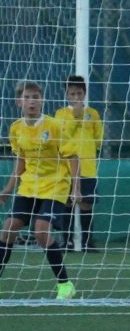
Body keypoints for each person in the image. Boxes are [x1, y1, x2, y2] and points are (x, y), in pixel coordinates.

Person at [0, 81, 81, 299]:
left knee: (41, 230)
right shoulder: (16, 128)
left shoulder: (55, 126)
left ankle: (65, 285)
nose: (32, 101)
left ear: (42, 100)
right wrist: (7, 190)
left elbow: (73, 157)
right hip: (29, 186)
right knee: (8, 228)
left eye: (36, 97)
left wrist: (76, 189)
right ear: (19, 102)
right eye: (27, 97)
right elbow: (21, 160)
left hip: (55, 185)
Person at [54, 75, 104, 252]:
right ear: (66, 95)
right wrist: (75, 116)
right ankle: (66, 240)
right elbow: (62, 135)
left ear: (84, 94)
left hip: (88, 166)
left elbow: (99, 139)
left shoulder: (93, 114)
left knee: (86, 203)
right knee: (67, 202)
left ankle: (87, 241)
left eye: (79, 93)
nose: (76, 97)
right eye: (72, 94)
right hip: (67, 167)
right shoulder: (61, 114)